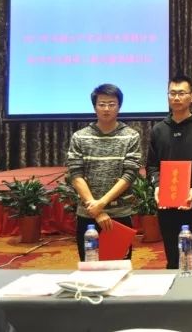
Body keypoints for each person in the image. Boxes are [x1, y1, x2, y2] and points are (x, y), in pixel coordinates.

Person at [147, 74, 192, 270]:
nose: (176, 98)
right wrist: (157, 185)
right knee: (173, 258)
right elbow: (152, 166)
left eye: (181, 93)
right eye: (172, 93)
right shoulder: (158, 130)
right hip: (167, 206)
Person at [67, 83, 141, 261]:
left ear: (119, 106)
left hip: (119, 214)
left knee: (119, 268)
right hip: (88, 214)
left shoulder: (131, 136)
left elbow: (129, 174)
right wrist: (97, 210)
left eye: (111, 104)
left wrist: (101, 203)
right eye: (102, 104)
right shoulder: (80, 136)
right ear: (94, 107)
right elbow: (75, 174)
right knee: (89, 266)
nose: (106, 108)